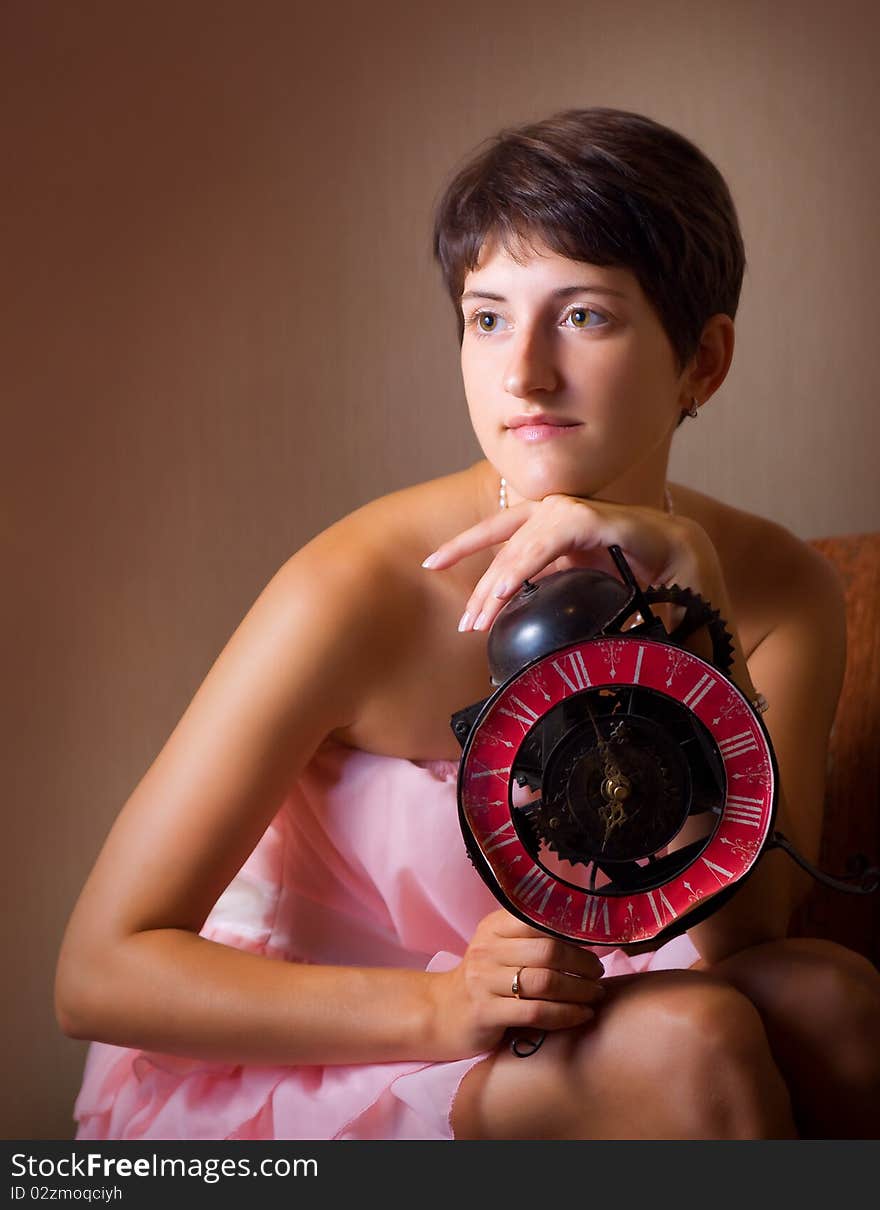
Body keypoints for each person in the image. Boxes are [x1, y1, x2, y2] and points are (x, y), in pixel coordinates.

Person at [55, 106, 880, 1141]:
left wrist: (695, 607)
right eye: (487, 316)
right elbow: (98, 969)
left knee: (834, 1003)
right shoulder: (356, 586)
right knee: (692, 1043)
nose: (522, 372)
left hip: (603, 1012)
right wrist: (446, 1005)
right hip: (339, 1059)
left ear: (701, 363)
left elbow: (743, 932)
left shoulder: (773, 585)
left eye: (581, 316)